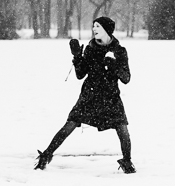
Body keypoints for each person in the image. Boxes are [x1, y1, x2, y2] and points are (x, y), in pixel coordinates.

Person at [34, 16, 135, 174]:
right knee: (70, 124)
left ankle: (127, 162)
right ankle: (46, 155)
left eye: (98, 26)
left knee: (123, 129)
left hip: (110, 97)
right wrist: (77, 56)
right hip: (90, 95)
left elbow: (126, 78)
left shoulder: (119, 51)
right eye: (93, 26)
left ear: (107, 30)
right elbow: (81, 74)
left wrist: (114, 66)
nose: (94, 29)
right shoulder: (90, 49)